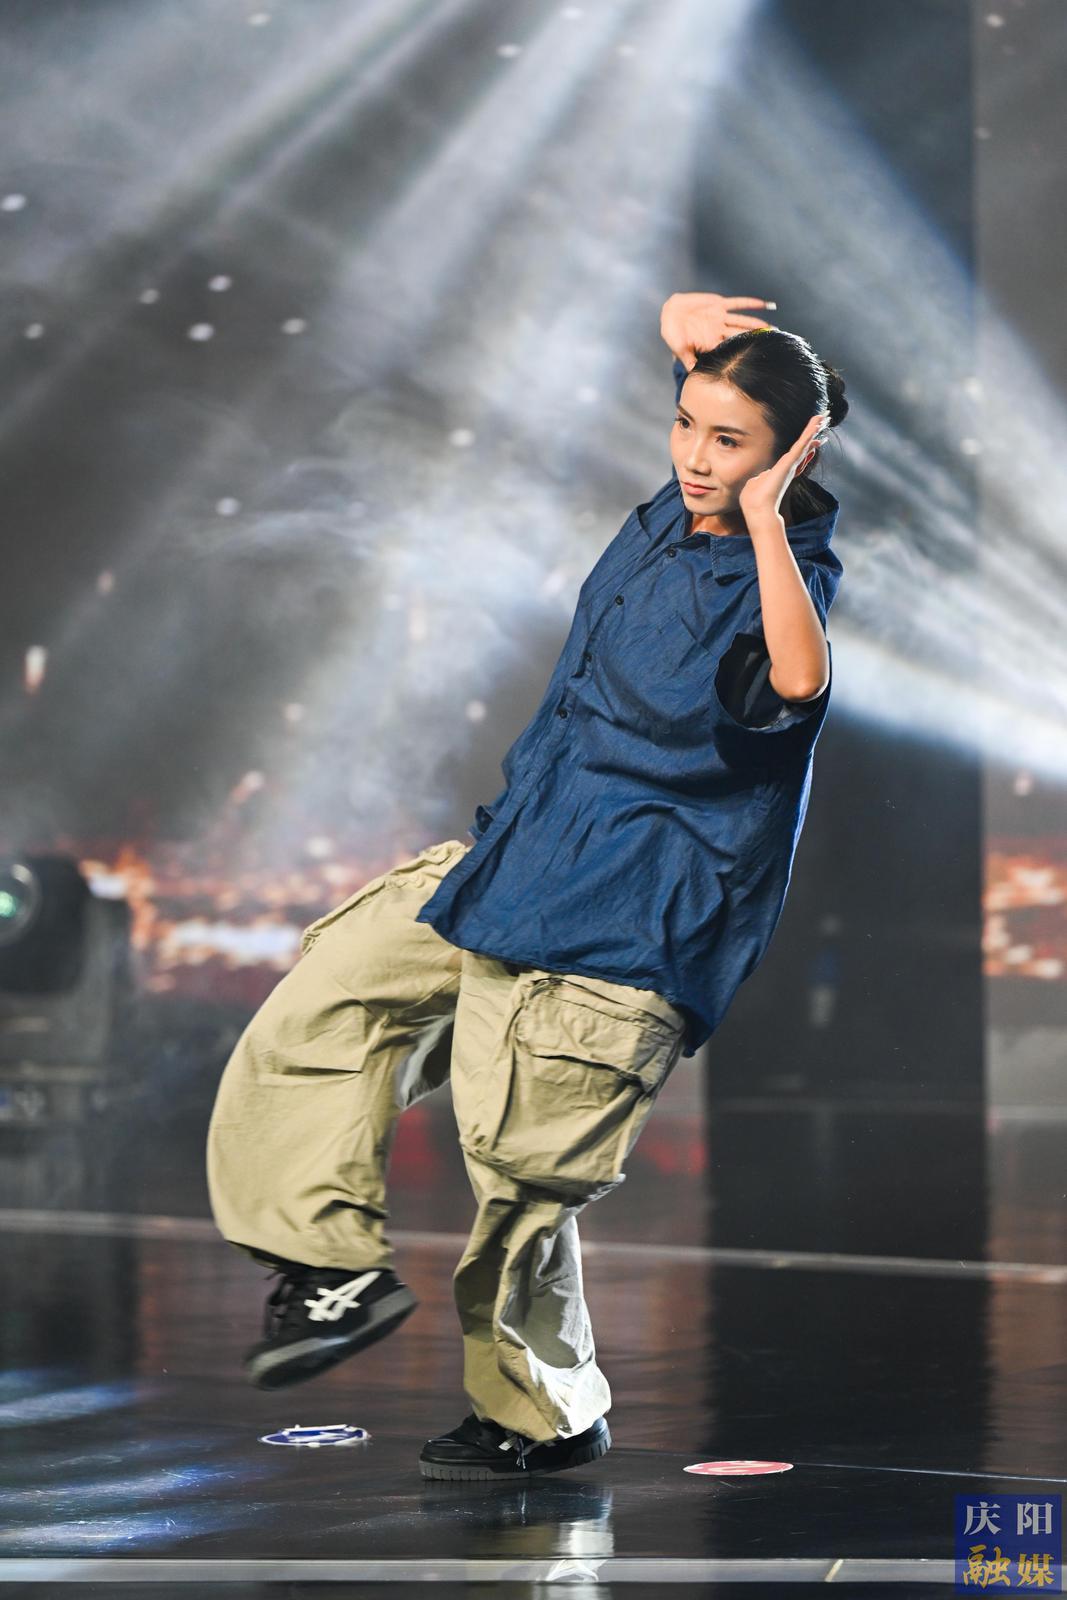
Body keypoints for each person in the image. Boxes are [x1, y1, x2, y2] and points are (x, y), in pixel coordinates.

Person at [205, 290, 849, 1481]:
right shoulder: (669, 520)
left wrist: (766, 516)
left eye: (729, 443)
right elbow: (695, 423)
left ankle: (541, 1414)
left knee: (517, 1182)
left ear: (787, 458)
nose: (696, 457)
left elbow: (799, 681)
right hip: (518, 857)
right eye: (686, 426)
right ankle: (330, 1269)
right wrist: (681, 339)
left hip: (623, 916)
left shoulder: (783, 576)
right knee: (328, 999)